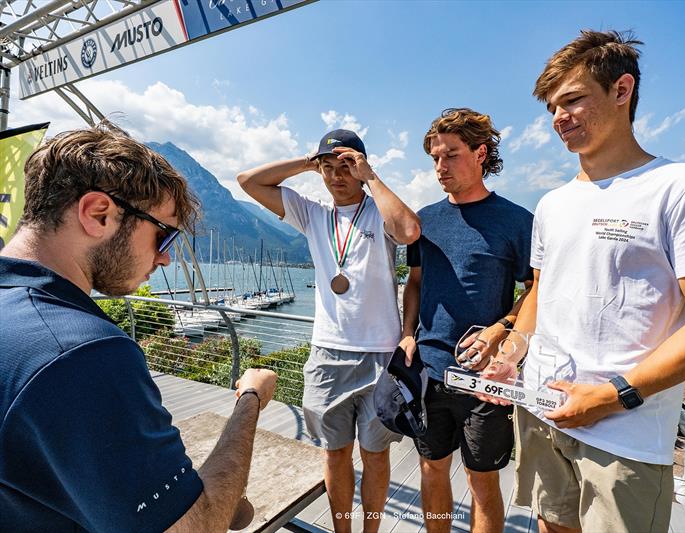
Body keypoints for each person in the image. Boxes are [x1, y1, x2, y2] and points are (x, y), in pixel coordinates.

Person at [483, 30, 685, 533]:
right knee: (550, 525)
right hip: (542, 411)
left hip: (625, 432)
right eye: (551, 108)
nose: (559, 118)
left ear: (622, 90)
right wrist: (509, 357)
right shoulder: (552, 203)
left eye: (572, 100)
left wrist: (612, 396)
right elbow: (543, 293)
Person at [0, 123, 279, 532]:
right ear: (99, 214)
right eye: (163, 236)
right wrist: (250, 400)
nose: (165, 259)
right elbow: (195, 527)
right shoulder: (79, 353)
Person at [237, 129, 420, 533]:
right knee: (335, 455)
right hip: (327, 356)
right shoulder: (313, 213)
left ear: (360, 168)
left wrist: (370, 176)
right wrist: (308, 161)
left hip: (380, 356)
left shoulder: (378, 211)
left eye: (346, 167)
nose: (337, 175)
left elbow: (408, 231)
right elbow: (248, 181)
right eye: (329, 168)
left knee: (375, 456)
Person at [401, 108, 534, 533]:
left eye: (451, 155)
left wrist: (503, 329)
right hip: (430, 369)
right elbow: (415, 282)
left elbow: (536, 289)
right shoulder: (424, 220)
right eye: (435, 157)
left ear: (480, 153)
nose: (440, 167)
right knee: (431, 469)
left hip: (486, 378)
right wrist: (407, 334)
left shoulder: (516, 221)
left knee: (482, 480)